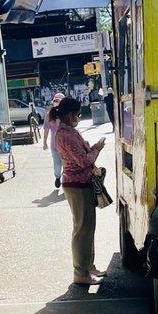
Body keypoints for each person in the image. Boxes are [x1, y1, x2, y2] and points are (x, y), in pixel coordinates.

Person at [52, 97, 106, 285]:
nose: (78, 117)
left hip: (82, 184)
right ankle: (80, 272)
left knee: (87, 228)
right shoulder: (65, 134)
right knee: (82, 229)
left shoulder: (69, 131)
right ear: (69, 115)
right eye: (77, 114)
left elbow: (81, 156)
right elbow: (83, 161)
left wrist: (91, 150)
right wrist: (96, 150)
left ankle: (88, 266)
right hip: (77, 185)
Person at [43, 93, 65, 188]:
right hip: (55, 145)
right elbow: (46, 130)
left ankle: (65, 180)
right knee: (57, 164)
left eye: (59, 101)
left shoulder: (66, 114)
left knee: (66, 164)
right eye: (55, 101)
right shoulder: (49, 115)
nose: (57, 102)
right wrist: (44, 142)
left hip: (66, 145)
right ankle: (57, 177)